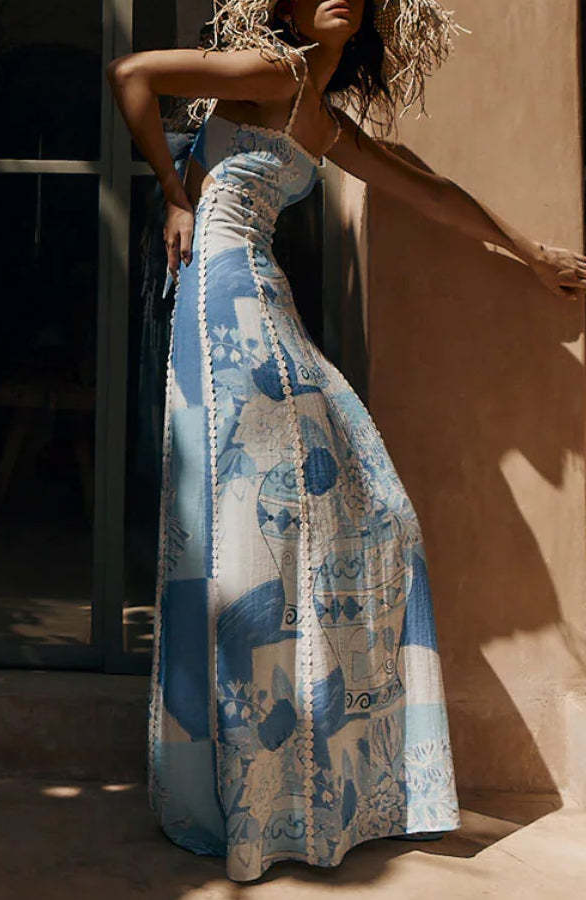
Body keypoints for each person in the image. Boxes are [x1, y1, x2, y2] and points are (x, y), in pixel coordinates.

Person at [107, 0, 586, 883]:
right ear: (286, 5)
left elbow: (431, 191)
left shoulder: (323, 121)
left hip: (262, 294)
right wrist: (175, 195)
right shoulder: (273, 72)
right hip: (225, 302)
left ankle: (317, 781)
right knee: (243, 535)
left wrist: (531, 253)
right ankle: (247, 795)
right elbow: (130, 75)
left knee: (372, 517)